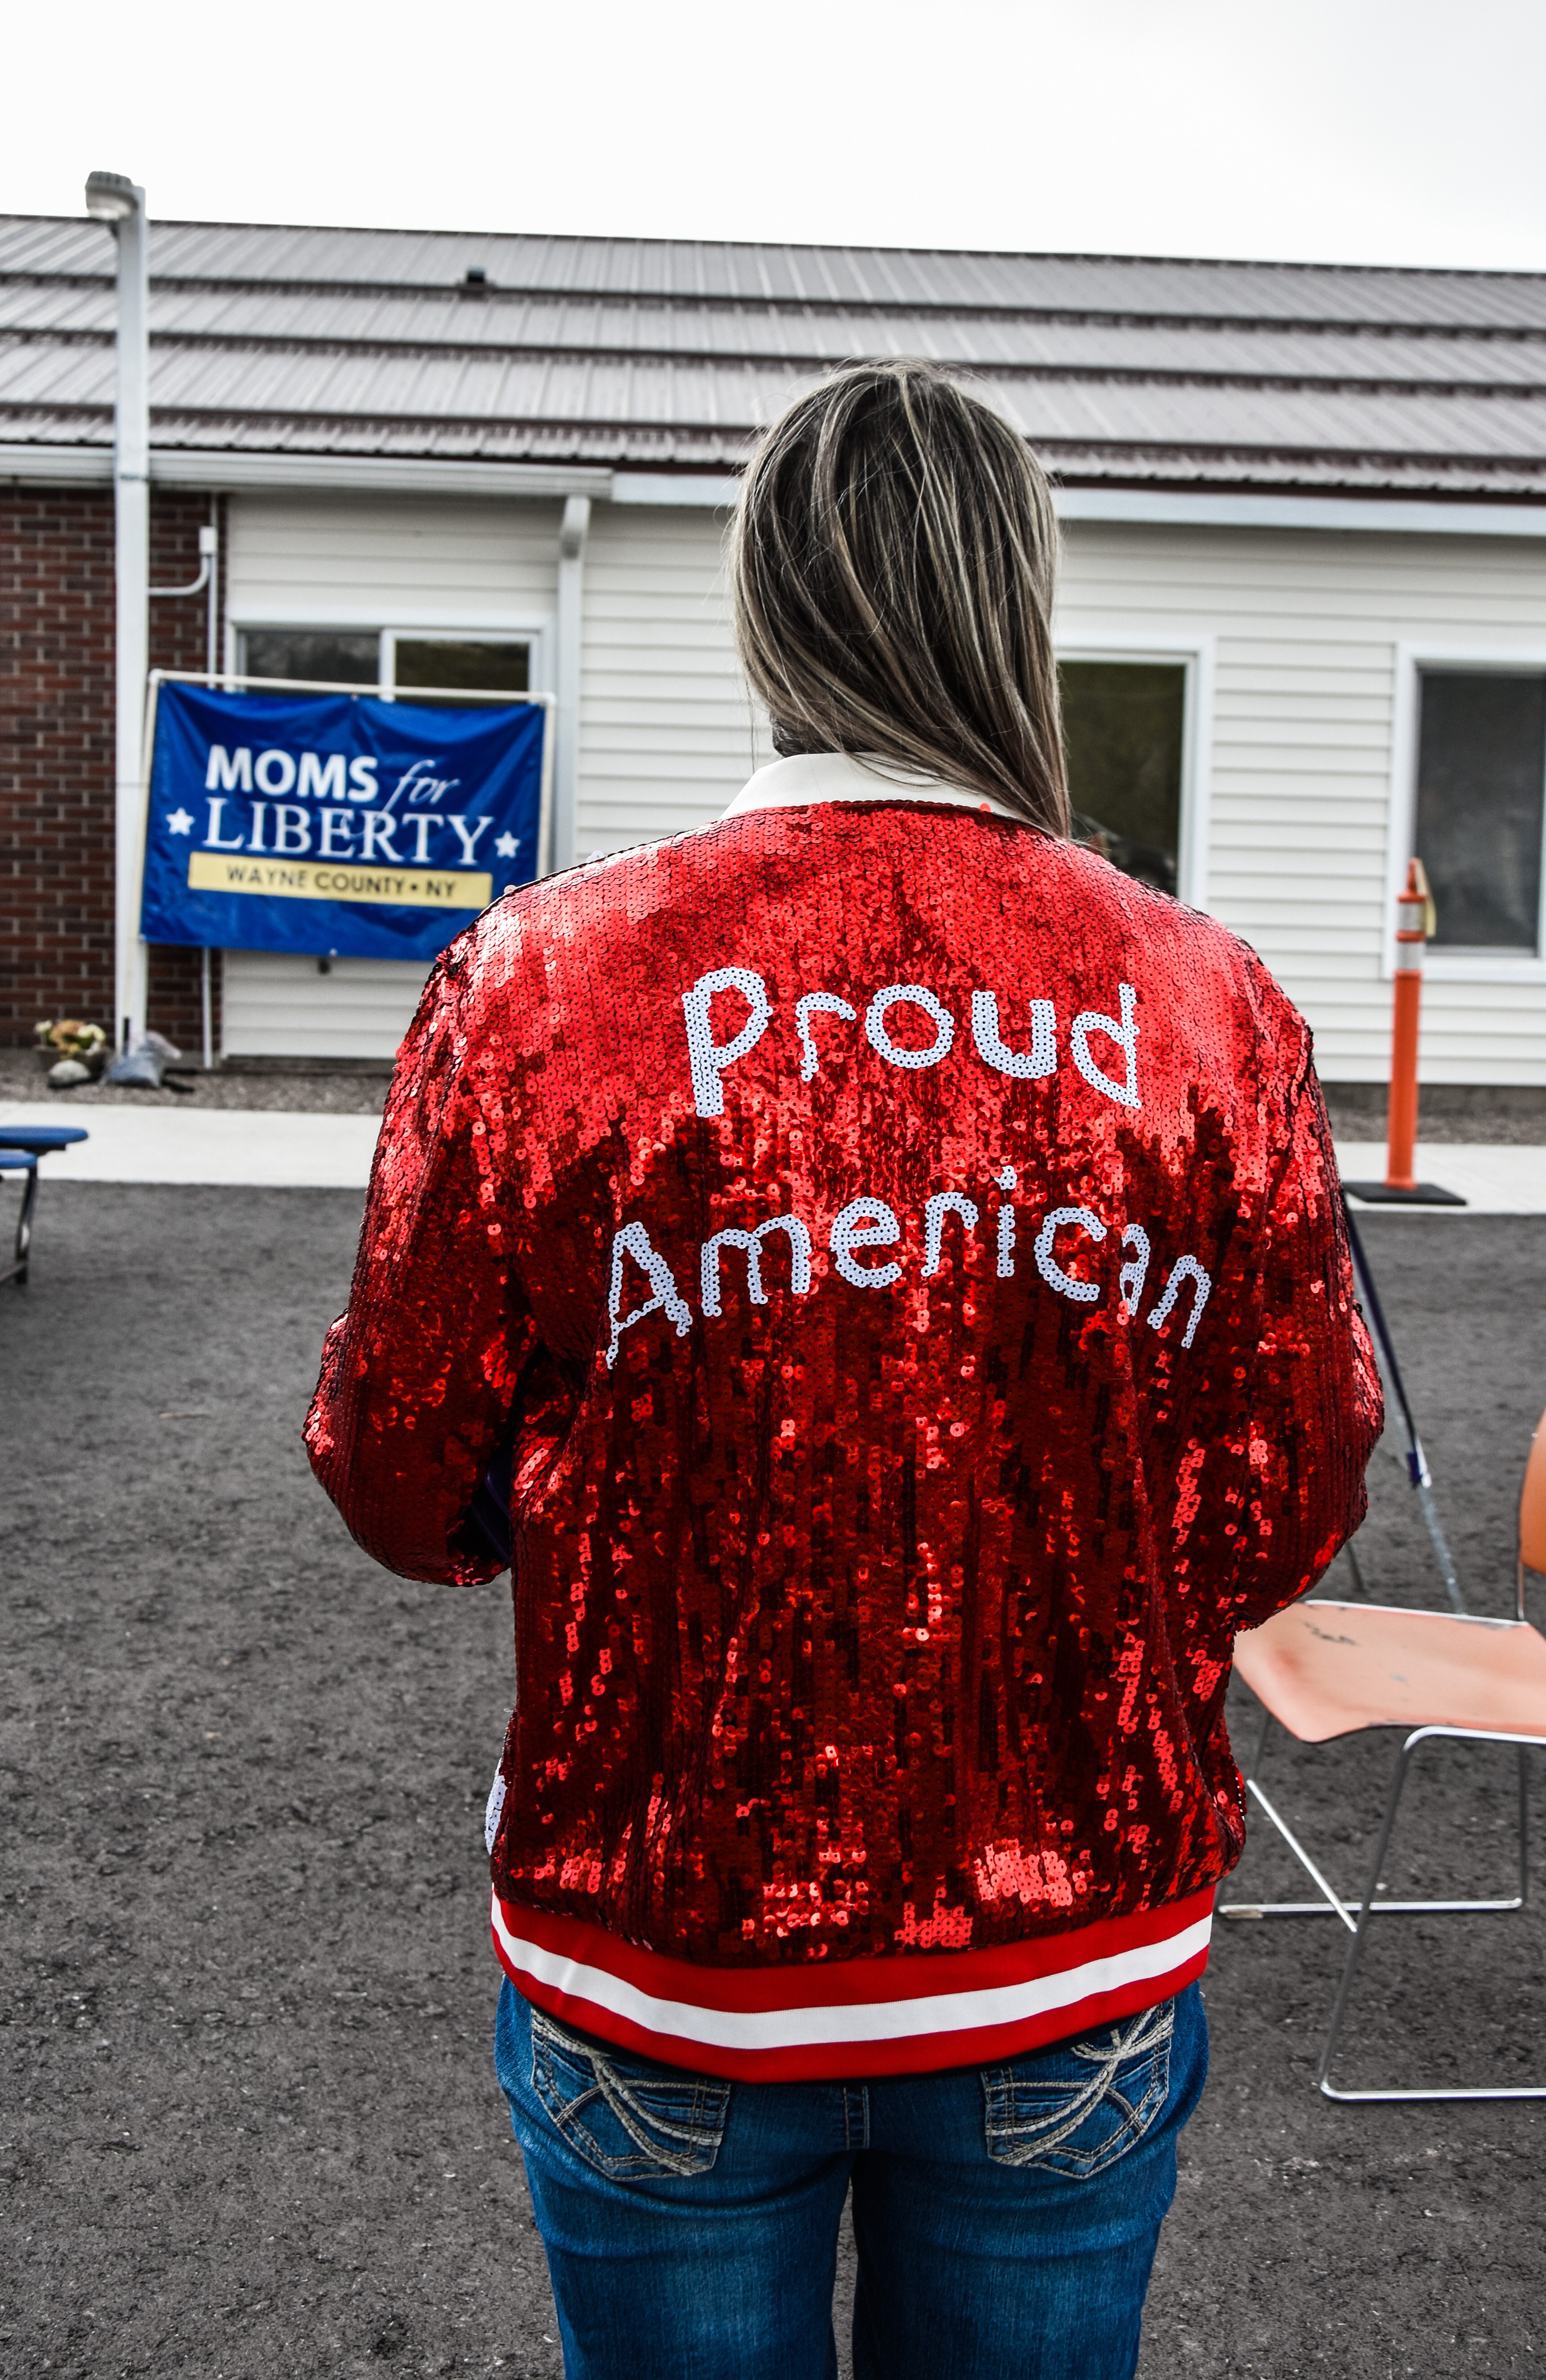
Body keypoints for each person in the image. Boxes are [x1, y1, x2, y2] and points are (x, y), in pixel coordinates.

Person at [306, 361, 1381, 2380]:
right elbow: (1283, 1488)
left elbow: (396, 1470)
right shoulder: (1203, 1005)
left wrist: (600, 1512)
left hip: (661, 1957)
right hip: (1068, 1960)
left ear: (765, 611)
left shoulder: (540, 987)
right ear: (1018, 604)